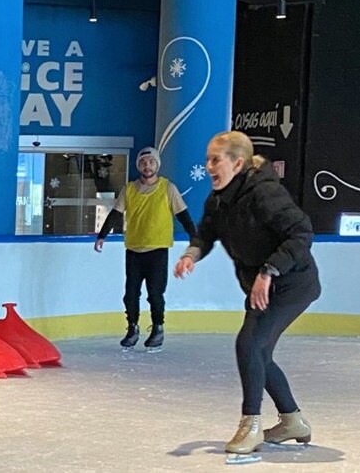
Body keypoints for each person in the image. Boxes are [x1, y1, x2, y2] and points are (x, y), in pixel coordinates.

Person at [174, 131, 320, 462]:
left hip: (291, 282)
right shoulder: (218, 198)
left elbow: (301, 232)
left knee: (249, 345)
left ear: (238, 163)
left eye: (216, 160)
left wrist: (269, 271)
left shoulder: (264, 193)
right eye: (207, 159)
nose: (209, 166)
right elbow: (206, 233)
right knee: (259, 353)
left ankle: (250, 424)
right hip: (263, 284)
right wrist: (191, 254)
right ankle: (293, 420)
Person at [94, 146, 196, 351]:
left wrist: (195, 239)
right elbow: (115, 213)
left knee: (155, 293)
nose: (147, 166)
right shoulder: (129, 189)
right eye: (142, 163)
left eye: (150, 162)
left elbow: (183, 214)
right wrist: (102, 235)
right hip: (134, 250)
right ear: (138, 166)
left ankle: (158, 327)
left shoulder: (168, 188)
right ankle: (132, 328)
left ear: (157, 164)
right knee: (130, 293)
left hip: (157, 249)